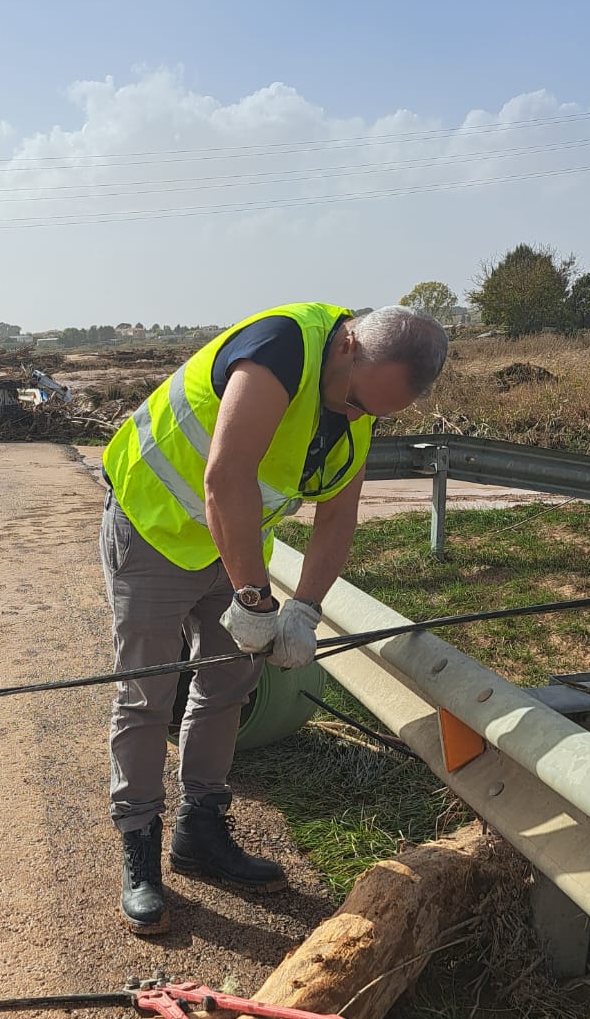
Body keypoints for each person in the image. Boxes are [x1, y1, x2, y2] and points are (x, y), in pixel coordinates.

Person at [100, 303, 448, 934]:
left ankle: (199, 831)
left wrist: (305, 611)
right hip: (154, 528)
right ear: (346, 346)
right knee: (147, 694)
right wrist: (256, 602)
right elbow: (225, 477)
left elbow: (337, 516)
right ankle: (140, 850)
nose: (356, 416)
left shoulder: (359, 396)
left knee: (227, 686)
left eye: (373, 413)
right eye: (356, 401)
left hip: (230, 543)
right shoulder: (280, 349)